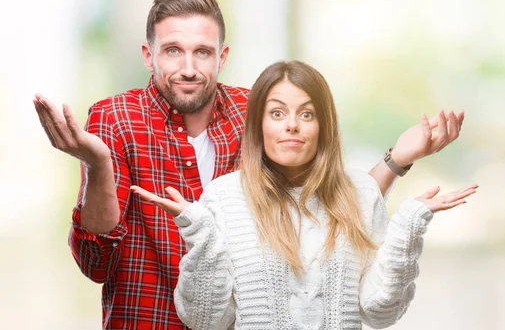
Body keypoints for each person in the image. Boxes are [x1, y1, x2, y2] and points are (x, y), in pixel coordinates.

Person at [32, 0, 464, 329]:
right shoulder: (115, 118)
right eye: (172, 51)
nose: (187, 67)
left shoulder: (256, 113)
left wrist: (396, 160)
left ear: (221, 56)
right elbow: (96, 265)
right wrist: (98, 166)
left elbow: (324, 207)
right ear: (149, 55)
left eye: (202, 52)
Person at [131, 60, 477, 330]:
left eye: (307, 114)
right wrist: (201, 234)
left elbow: (380, 312)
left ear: (323, 126)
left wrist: (408, 224)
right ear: (259, 125)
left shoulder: (360, 193)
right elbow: (206, 320)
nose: (291, 125)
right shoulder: (224, 198)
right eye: (277, 113)